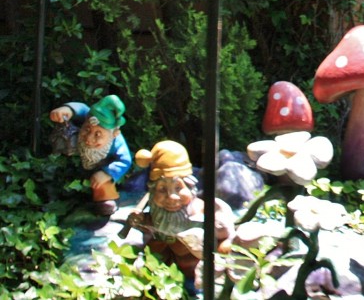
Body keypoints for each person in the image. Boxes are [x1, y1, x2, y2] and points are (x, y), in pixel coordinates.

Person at [125, 140, 235, 288]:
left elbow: (225, 236)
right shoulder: (160, 213)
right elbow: (156, 225)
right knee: (152, 251)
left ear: (191, 187)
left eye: (178, 188)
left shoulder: (204, 211)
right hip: (166, 265)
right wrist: (140, 220)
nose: (172, 197)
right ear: (152, 192)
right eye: (162, 189)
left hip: (197, 268)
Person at [49, 94, 132, 215]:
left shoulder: (116, 141)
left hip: (99, 169)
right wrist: (68, 110)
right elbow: (82, 108)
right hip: (76, 160)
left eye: (98, 135)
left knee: (102, 184)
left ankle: (105, 199)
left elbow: (125, 160)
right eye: (87, 129)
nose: (88, 138)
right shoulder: (89, 117)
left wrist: (107, 173)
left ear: (114, 133)